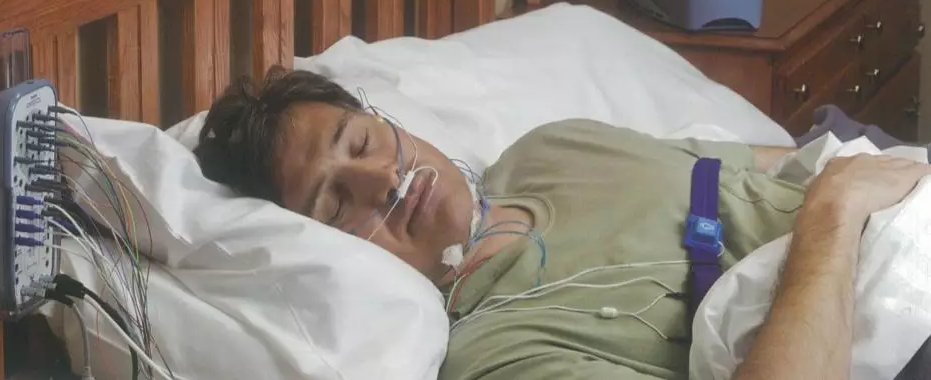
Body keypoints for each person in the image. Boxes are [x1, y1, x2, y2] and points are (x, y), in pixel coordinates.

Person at [192, 67, 931, 380]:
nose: (384, 180)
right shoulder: (497, 352)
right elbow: (830, 197)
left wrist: (860, 174)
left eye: (361, 143)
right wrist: (834, 215)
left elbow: (771, 164)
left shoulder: (551, 147)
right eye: (334, 204)